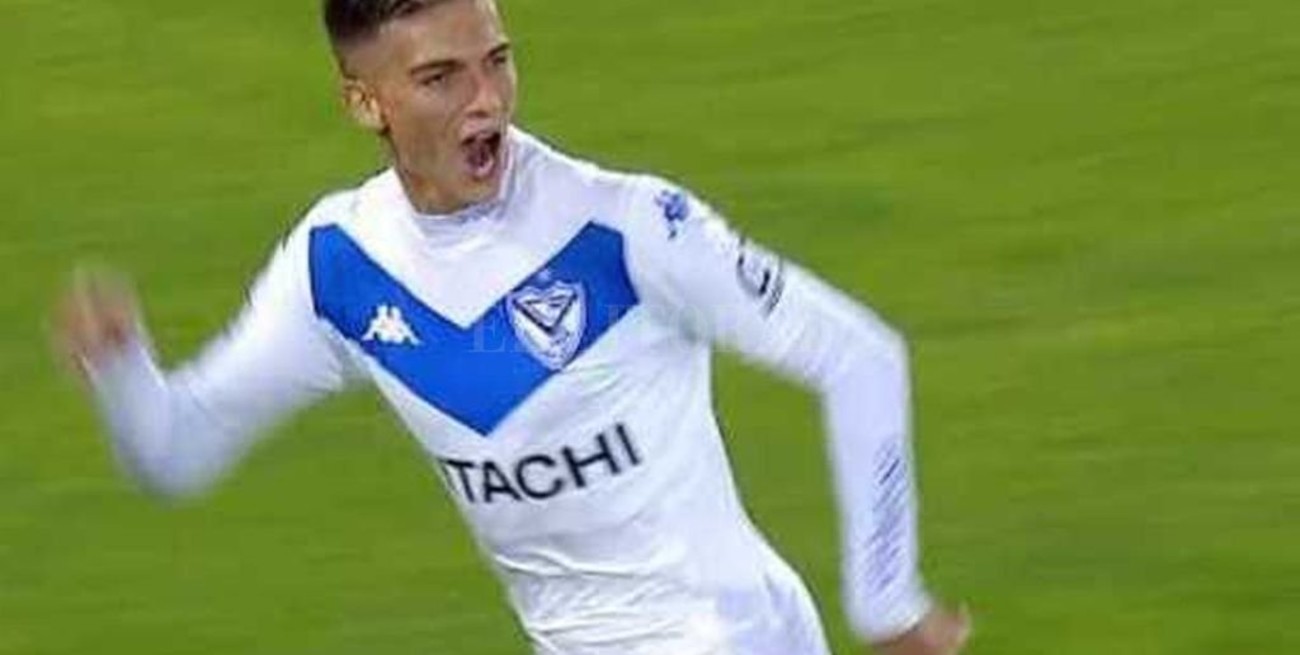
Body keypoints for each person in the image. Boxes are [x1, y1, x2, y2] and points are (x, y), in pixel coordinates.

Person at [53, 1, 971, 653]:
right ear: (366, 103)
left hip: (726, 634)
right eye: (440, 78)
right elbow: (175, 451)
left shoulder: (625, 228)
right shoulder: (339, 268)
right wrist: (122, 370)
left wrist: (886, 599)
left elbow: (858, 355)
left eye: (496, 60)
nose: (485, 99)